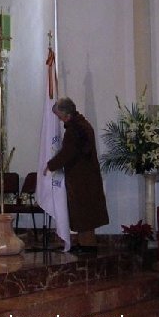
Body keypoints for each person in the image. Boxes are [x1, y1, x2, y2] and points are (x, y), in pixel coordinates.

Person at [44, 97, 109, 253]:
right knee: (85, 213)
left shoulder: (75, 129)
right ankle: (84, 243)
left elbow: (68, 153)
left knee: (84, 212)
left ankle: (87, 246)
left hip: (82, 179)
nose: (59, 119)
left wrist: (50, 166)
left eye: (59, 115)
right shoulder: (82, 125)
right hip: (86, 177)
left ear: (66, 113)